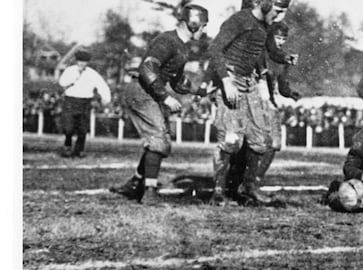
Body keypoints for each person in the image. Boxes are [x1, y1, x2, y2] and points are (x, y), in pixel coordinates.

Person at [110, 4, 210, 204]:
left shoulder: (181, 46)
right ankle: (149, 192)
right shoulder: (167, 41)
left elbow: (177, 82)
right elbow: (147, 69)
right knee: (159, 141)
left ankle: (135, 183)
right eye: (203, 25)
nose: (204, 30)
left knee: (160, 141)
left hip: (148, 92)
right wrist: (165, 97)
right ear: (193, 23)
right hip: (141, 91)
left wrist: (201, 91)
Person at [208, 0, 293, 207]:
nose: (279, 17)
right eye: (277, 11)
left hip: (250, 82)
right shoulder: (239, 20)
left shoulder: (265, 26)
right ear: (266, 4)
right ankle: (218, 193)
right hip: (231, 79)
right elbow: (215, 49)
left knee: (261, 139)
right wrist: (225, 81)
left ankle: (248, 188)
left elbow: (271, 50)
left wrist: (285, 57)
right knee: (231, 140)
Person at [225, 20, 301, 203]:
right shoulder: (259, 52)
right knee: (249, 143)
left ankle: (252, 182)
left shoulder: (283, 59)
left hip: (270, 104)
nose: (280, 42)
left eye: (283, 39)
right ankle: (237, 183)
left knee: (273, 144)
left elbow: (282, 85)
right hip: (253, 102)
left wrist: (290, 93)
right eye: (277, 37)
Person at [57, 49, 112, 158]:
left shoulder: (92, 73)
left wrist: (106, 98)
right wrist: (75, 77)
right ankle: (67, 146)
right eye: (80, 61)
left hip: (85, 102)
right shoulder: (70, 70)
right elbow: (62, 82)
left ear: (87, 62)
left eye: (84, 61)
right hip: (71, 101)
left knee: (83, 128)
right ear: (76, 61)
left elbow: (102, 85)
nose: (82, 63)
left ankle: (79, 150)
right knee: (69, 127)